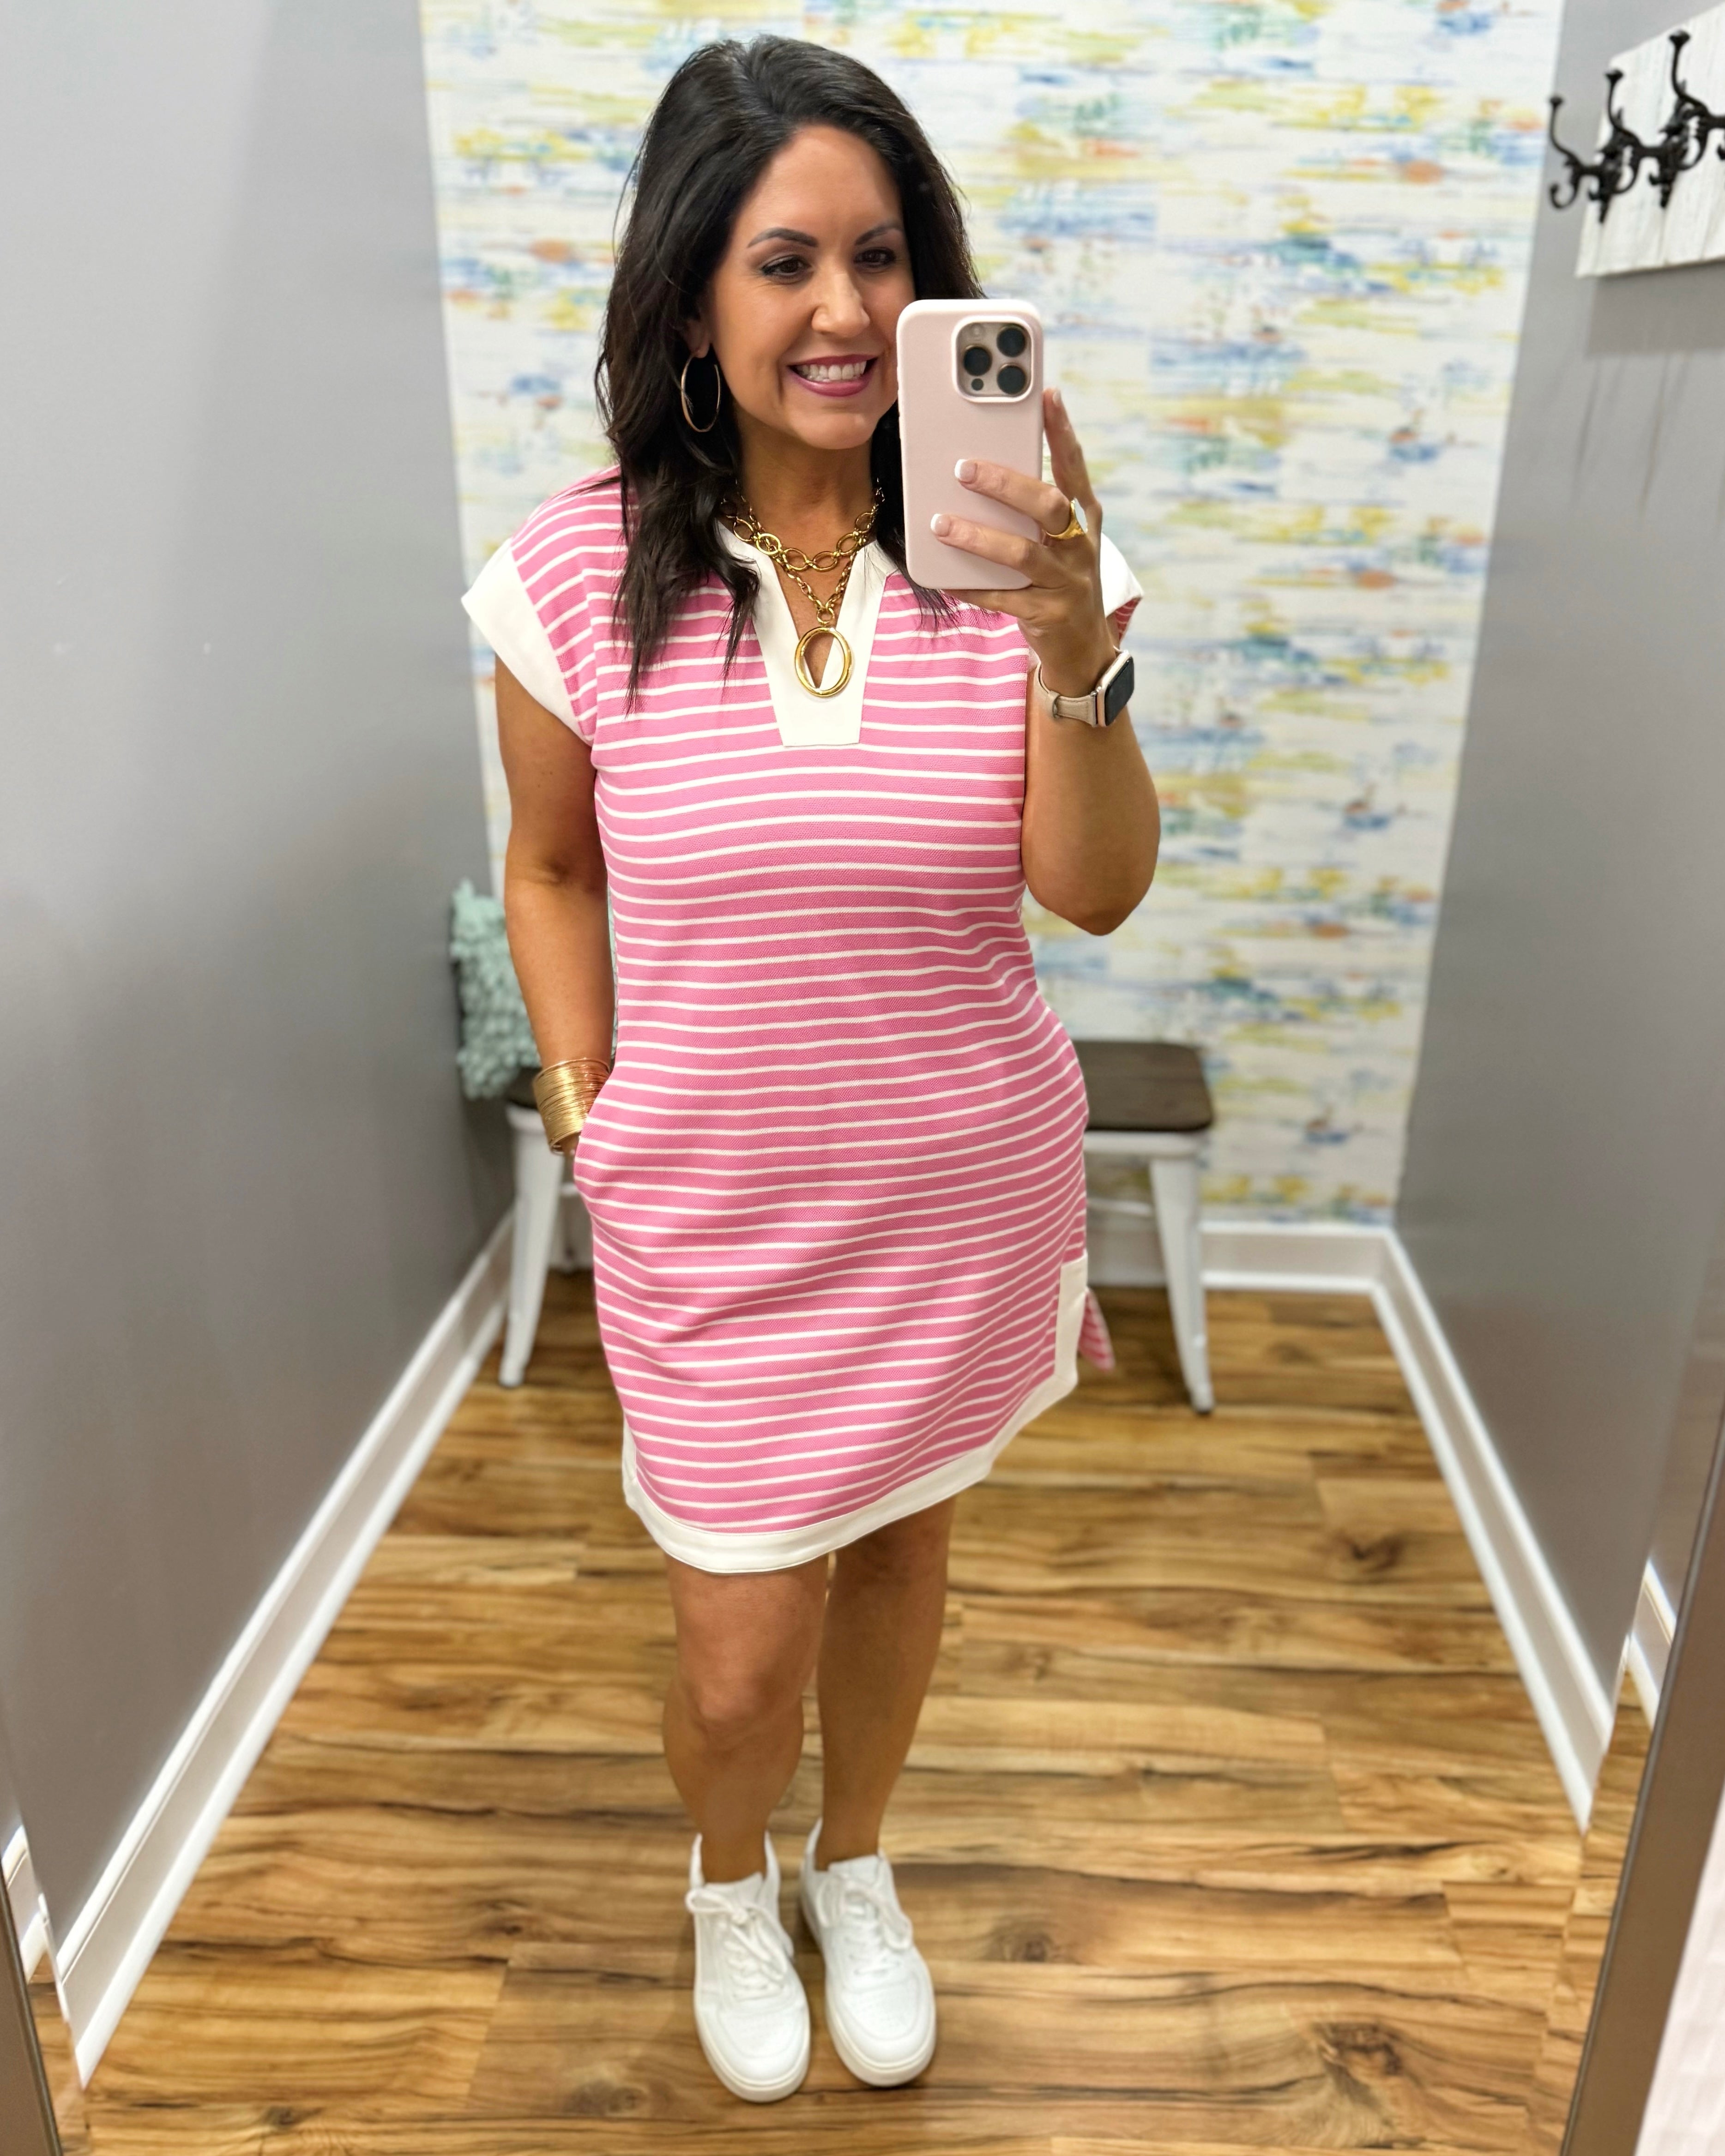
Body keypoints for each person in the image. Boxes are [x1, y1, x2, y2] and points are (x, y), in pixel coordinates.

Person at [462, 33, 1159, 2105]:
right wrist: (588, 1105)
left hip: (959, 1190)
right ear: (696, 298)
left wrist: (1072, 647)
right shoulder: (575, 574)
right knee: (729, 1641)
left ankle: (855, 1866)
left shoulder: (1027, 548)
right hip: (718, 1224)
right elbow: (546, 861)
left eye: (882, 258)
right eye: (785, 262)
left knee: (899, 1554)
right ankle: (722, 1873)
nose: (845, 311)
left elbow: (1093, 890)